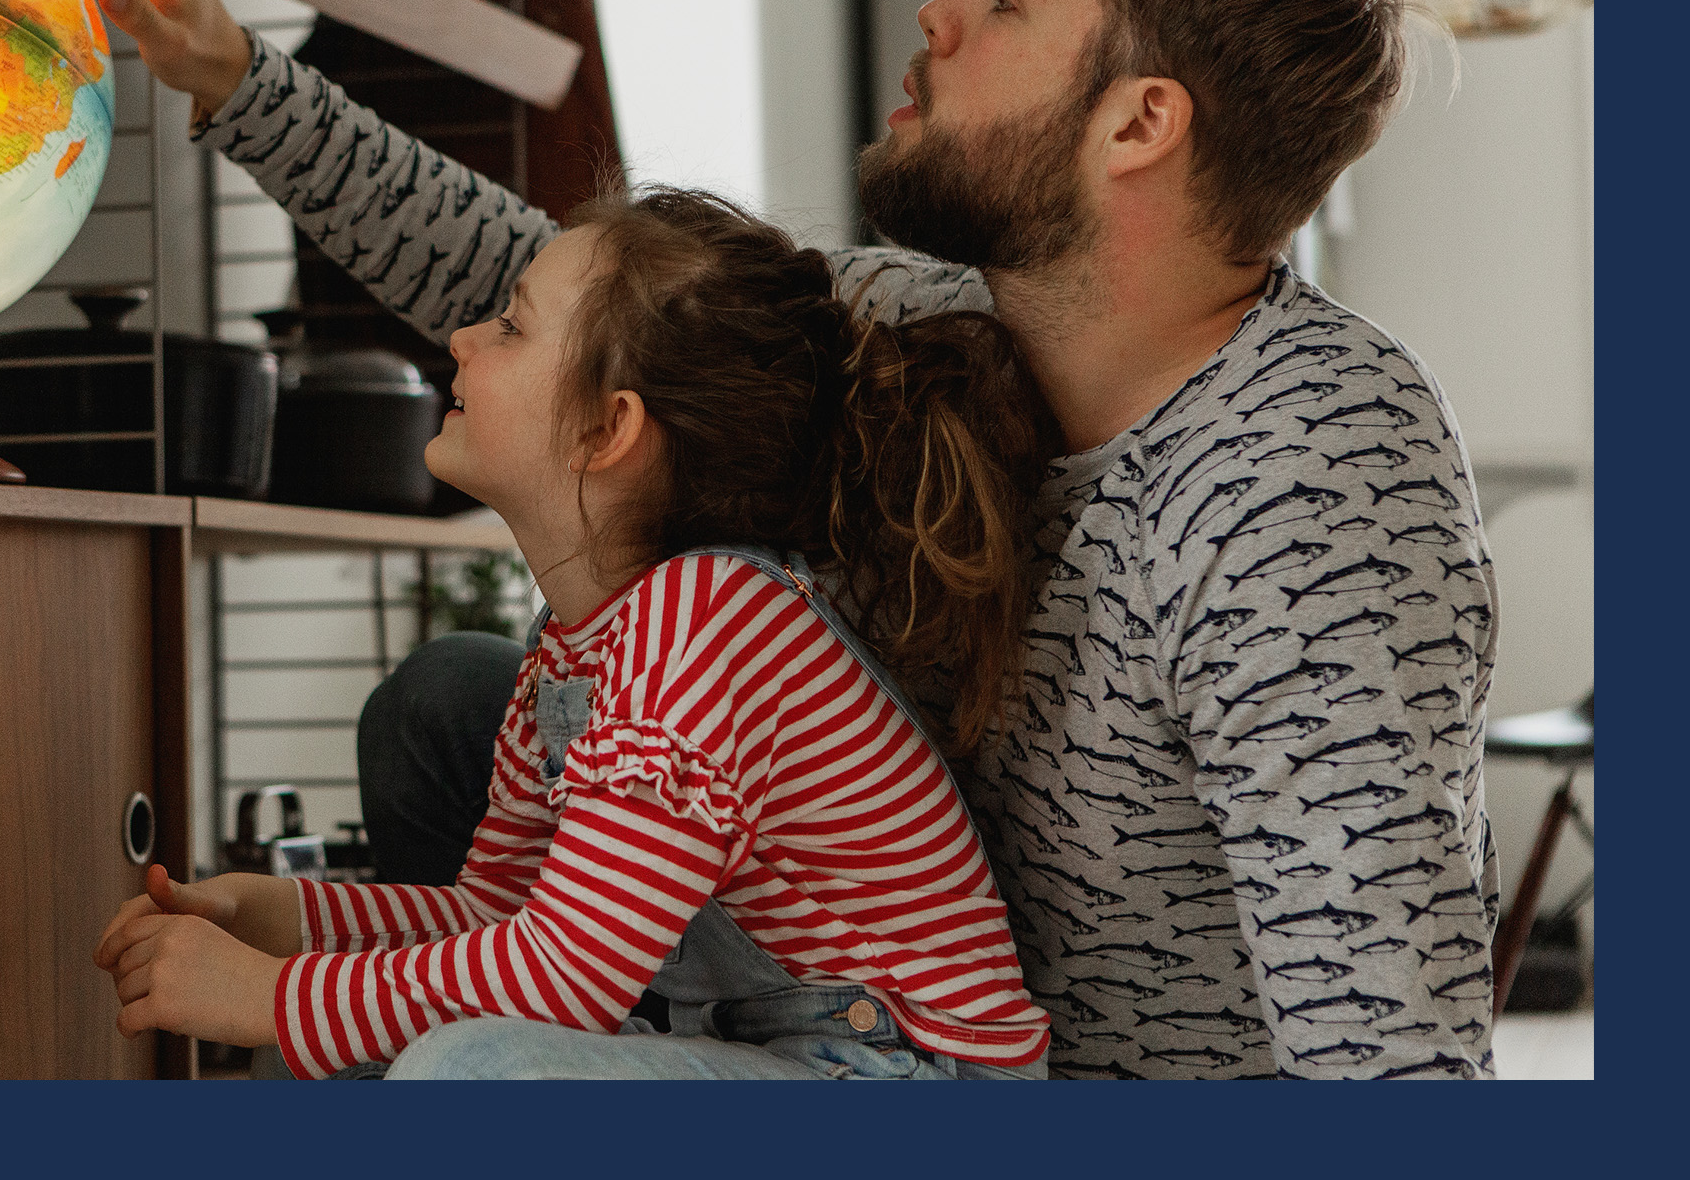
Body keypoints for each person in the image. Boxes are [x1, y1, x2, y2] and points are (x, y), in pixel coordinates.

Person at [26, 0, 1502, 1080]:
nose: (941, 14)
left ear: (1140, 125)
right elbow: (532, 286)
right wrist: (230, 75)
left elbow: (1395, 1053)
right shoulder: (934, 314)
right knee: (450, 714)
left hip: (995, 1076)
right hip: (807, 981)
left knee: (486, 1066)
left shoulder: (1318, 490)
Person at [88, 185, 1059, 1079]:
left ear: (606, 430)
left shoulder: (704, 627)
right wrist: (292, 919)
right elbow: (497, 918)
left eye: (510, 325)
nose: (464, 338)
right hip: (784, 1053)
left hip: (914, 1082)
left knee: (459, 1074)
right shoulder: (579, 639)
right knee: (383, 1046)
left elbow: (562, 979)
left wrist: (267, 996)